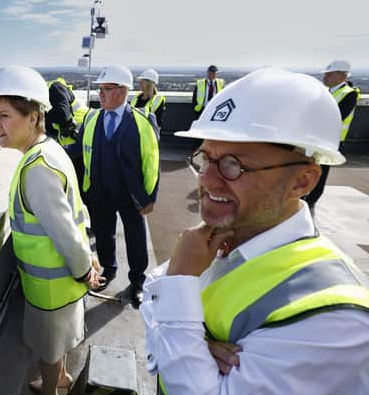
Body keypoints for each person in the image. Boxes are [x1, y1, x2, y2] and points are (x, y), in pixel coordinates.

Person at [140, 67, 369, 394]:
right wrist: (191, 347)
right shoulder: (222, 237)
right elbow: (151, 300)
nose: (206, 180)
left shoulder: (337, 319)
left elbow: (164, 302)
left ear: (302, 181)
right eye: (206, 158)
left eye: (234, 164)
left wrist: (178, 289)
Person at [0, 66, 102, 395]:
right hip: (61, 281)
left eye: (4, 115)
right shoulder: (49, 150)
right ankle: (61, 379)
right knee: (58, 342)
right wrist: (88, 259)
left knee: (48, 350)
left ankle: (52, 389)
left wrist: (83, 271)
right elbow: (74, 216)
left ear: (33, 117)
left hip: (54, 286)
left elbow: (63, 231)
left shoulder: (38, 169)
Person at [67, 64, 159, 305]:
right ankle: (109, 269)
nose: (101, 94)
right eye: (100, 89)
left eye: (106, 89)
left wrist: (150, 197)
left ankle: (138, 280)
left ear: (122, 91)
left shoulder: (144, 120)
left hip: (131, 194)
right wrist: (47, 149)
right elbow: (77, 150)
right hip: (99, 192)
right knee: (105, 234)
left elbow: (152, 161)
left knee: (136, 237)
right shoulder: (91, 118)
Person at [305, 59, 361, 210]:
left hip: (332, 140)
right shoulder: (327, 92)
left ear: (342, 76)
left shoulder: (349, 94)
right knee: (308, 167)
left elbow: (339, 115)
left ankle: (311, 200)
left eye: (329, 74)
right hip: (317, 137)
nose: (325, 77)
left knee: (321, 171)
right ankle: (304, 196)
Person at [45, 77, 88, 146]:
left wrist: (41, 116)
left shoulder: (54, 87)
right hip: (72, 144)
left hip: (82, 134)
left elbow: (62, 113)